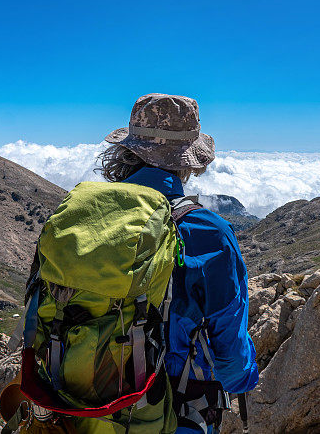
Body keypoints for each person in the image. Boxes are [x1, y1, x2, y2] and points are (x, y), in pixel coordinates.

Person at [98, 93, 259, 433]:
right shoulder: (208, 234)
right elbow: (229, 357)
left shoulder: (92, 222)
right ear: (188, 160)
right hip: (173, 412)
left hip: (86, 406)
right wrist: (246, 378)